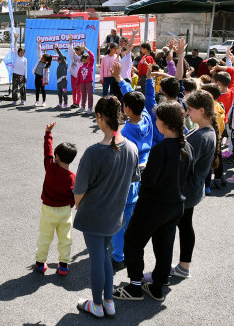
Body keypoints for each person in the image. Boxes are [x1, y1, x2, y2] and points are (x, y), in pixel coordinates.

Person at [113, 101, 193, 302]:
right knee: (164, 246)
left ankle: (135, 286)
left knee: (132, 241)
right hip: (176, 206)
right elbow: (188, 177)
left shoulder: (161, 149)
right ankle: (158, 286)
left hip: (153, 206)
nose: (155, 121)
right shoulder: (187, 148)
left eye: (157, 118)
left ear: (165, 123)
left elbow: (149, 182)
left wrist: (144, 169)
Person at [74, 96, 139, 319]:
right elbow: (133, 178)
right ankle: (108, 302)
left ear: (100, 117)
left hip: (94, 215)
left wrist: (78, 205)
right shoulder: (131, 148)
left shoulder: (94, 152)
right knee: (104, 255)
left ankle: (97, 304)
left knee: (97, 259)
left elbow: (79, 190)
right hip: (115, 215)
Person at [161, 90, 218, 280]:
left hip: (184, 192)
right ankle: (183, 265)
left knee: (175, 228)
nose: (187, 113)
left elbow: (183, 165)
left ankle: (177, 267)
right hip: (192, 190)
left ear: (202, 110)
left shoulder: (200, 136)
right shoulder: (206, 131)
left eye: (190, 109)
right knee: (185, 226)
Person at [109, 61, 154, 270]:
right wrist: (120, 80)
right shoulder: (145, 116)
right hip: (142, 174)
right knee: (131, 216)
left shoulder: (125, 133)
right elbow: (134, 97)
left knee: (119, 220)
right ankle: (128, 250)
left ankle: (119, 256)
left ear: (126, 108)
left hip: (127, 178)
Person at [34, 122, 76, 276]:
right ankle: (63, 264)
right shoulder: (73, 178)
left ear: (56, 157)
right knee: (65, 238)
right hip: (65, 211)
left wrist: (48, 134)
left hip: (48, 209)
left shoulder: (50, 168)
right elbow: (74, 196)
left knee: (45, 236)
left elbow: (47, 152)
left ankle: (40, 262)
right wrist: (70, 205)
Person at [68, 38, 86, 108]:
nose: (76, 51)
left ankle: (77, 103)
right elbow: (70, 51)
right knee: (73, 90)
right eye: (76, 50)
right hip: (73, 75)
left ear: (81, 50)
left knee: (79, 90)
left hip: (79, 77)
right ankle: (74, 102)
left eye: (77, 50)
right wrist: (70, 42)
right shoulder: (74, 56)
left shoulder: (83, 57)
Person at [54, 45, 69, 109]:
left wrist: (57, 49)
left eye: (61, 59)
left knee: (64, 92)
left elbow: (61, 55)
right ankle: (60, 104)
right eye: (59, 59)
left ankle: (65, 104)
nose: (60, 60)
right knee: (59, 93)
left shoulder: (65, 64)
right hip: (59, 82)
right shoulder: (59, 66)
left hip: (63, 82)